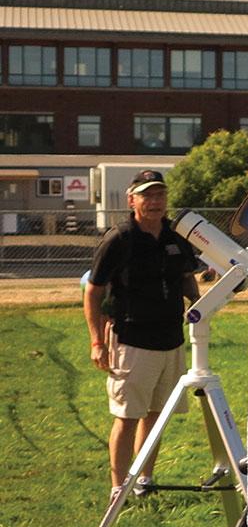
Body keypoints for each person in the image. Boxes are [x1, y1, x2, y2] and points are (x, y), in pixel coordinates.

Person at [83, 170, 199, 499]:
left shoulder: (176, 236)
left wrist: (198, 301)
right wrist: (96, 341)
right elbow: (93, 291)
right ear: (131, 200)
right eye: (147, 196)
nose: (154, 202)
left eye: (159, 195)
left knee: (156, 414)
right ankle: (118, 487)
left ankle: (145, 480)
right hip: (132, 339)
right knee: (128, 416)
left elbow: (186, 278)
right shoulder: (120, 238)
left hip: (171, 339)